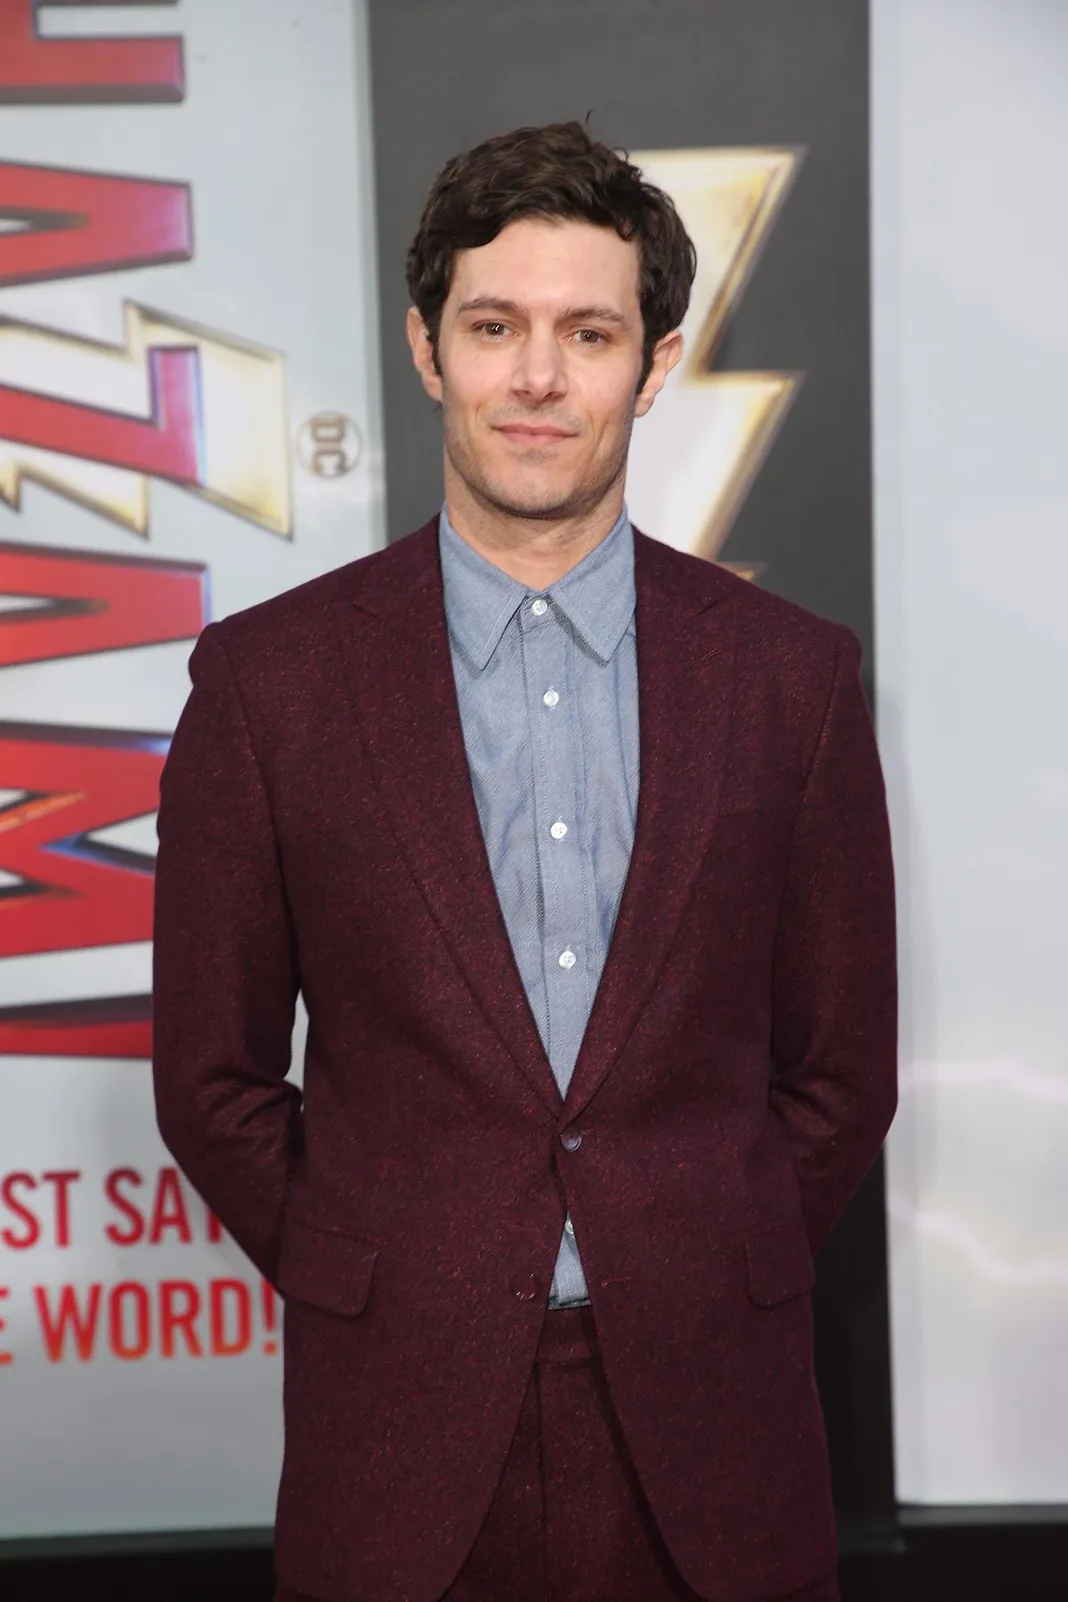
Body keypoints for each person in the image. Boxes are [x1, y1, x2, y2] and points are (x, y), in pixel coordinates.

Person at [153, 121, 897, 1602]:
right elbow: (213, 1079)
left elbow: (842, 1075)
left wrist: (697, 1249)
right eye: (495, 327)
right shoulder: (269, 686)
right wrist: (388, 1264)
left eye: (589, 332)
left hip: (715, 1433)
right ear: (429, 349)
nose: (540, 377)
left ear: (656, 361)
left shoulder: (792, 682)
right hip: (402, 1441)